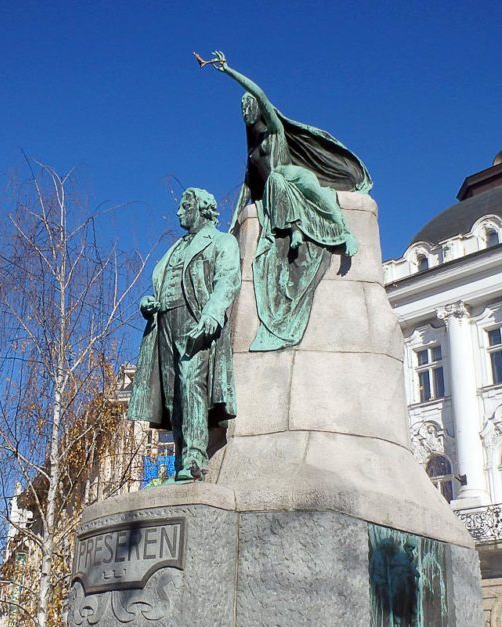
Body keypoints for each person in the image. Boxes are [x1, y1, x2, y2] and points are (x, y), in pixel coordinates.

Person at [208, 51, 373, 351]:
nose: (246, 110)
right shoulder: (252, 155)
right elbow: (245, 194)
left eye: (248, 105)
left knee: (318, 193)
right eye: (242, 107)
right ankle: (295, 228)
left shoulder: (274, 131)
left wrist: (229, 71)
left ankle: (343, 232)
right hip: (278, 188)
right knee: (275, 182)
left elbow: (260, 93)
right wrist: (231, 229)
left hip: (294, 175)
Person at [126, 188, 241, 482]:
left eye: (184, 206)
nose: (179, 212)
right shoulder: (175, 248)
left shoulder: (222, 241)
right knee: (173, 395)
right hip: (164, 322)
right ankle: (179, 462)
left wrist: (212, 315)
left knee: (192, 384)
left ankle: (194, 459)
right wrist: (147, 302)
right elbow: (162, 283)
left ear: (202, 209)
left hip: (195, 320)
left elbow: (227, 280)